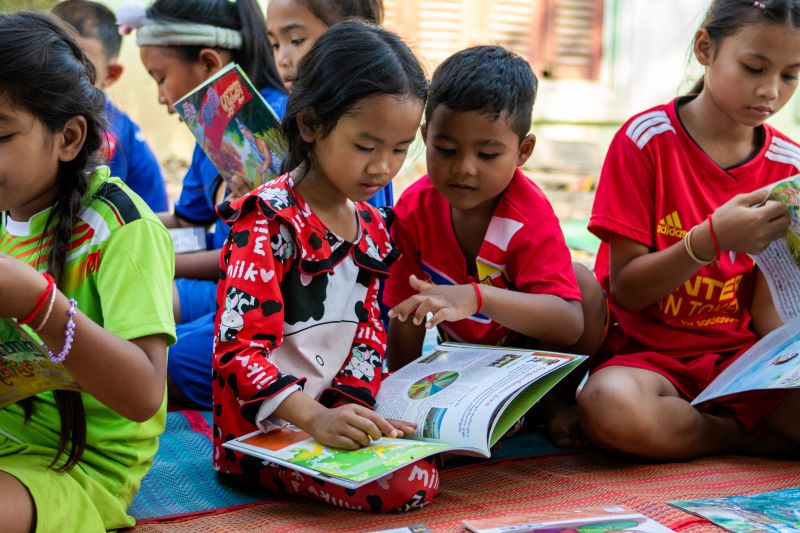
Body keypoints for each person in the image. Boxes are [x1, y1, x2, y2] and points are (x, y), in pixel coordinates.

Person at [213, 20, 436, 512]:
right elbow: (237, 352)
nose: (382, 167)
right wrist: (312, 419)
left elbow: (368, 333)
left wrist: (345, 409)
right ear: (311, 125)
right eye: (365, 146)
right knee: (403, 483)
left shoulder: (374, 227)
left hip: (325, 419)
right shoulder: (268, 220)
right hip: (263, 431)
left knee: (427, 451)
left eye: (399, 150)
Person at [579, 0, 800, 460]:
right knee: (609, 407)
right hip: (645, 359)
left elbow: (767, 314)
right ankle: (739, 438)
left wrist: (783, 368)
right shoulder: (646, 142)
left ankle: (706, 428)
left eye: (790, 76)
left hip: (739, 361)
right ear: (705, 47)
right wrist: (711, 240)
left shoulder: (787, 167)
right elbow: (626, 291)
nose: (770, 92)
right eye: (754, 67)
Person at [0, 12, 175, 532]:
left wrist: (38, 303)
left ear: (69, 138)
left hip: (73, 467)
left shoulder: (120, 227)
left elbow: (144, 393)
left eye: (1, 135)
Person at [383, 45, 607, 448]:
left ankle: (555, 403)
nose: (464, 168)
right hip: (462, 368)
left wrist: (477, 297)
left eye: (488, 154)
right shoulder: (414, 209)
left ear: (523, 151)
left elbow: (571, 322)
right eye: (446, 150)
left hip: (529, 364)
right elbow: (404, 314)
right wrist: (399, 397)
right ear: (425, 137)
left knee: (584, 285)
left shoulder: (528, 215)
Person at [126, 0, 288, 408]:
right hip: (228, 285)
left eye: (160, 78)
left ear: (209, 63)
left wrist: (153, 259)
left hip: (273, 299)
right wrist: (117, 227)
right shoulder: (210, 127)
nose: (162, 97)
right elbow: (187, 219)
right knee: (134, 304)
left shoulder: (270, 124)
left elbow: (265, 257)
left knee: (161, 362)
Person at [266, 0, 394, 208]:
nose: (282, 58)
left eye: (297, 40)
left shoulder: (369, 117)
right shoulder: (280, 112)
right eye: (274, 44)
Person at [51, 0, 169, 213]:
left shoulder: (120, 136)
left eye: (80, 67)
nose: (60, 75)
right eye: (50, 61)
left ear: (111, 75)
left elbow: (153, 213)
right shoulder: (20, 118)